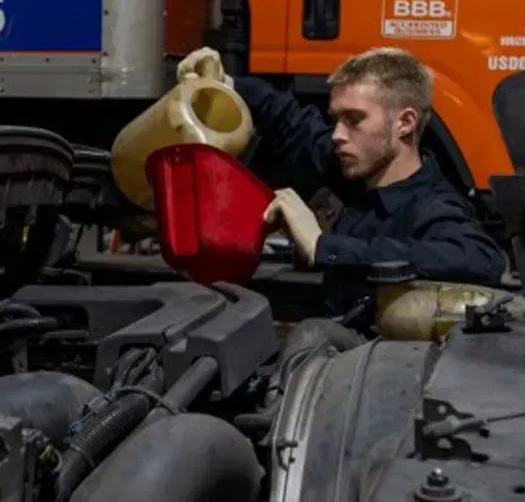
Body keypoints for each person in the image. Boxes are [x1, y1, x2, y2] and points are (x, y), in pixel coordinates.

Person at [176, 45, 506, 324]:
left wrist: (325, 247)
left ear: (405, 122)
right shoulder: (360, 169)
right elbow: (291, 122)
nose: (337, 135)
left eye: (354, 119)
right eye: (336, 119)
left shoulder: (434, 206)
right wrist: (225, 83)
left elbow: (482, 260)